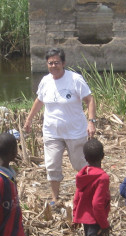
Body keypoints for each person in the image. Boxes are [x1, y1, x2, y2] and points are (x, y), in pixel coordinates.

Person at [23, 48, 97, 205]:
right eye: (50, 63)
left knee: (80, 164)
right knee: (52, 165)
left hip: (75, 131)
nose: (53, 66)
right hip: (52, 132)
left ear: (63, 63)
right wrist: (29, 119)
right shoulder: (45, 81)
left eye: (57, 62)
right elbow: (39, 100)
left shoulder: (75, 79)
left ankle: (89, 192)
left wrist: (91, 121)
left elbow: (90, 100)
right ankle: (55, 197)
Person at [71, 138, 120, 236]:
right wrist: (104, 224)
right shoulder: (102, 178)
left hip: (85, 217)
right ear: (103, 155)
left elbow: (77, 197)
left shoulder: (83, 174)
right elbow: (97, 205)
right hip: (95, 219)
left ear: (85, 158)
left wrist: (75, 217)